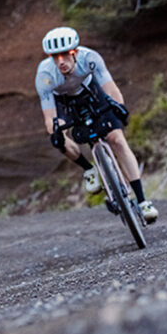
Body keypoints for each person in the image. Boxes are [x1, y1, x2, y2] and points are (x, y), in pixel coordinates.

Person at [36, 26, 158, 222]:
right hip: (63, 101)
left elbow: (111, 89)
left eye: (65, 54)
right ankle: (88, 169)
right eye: (54, 57)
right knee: (58, 137)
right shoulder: (45, 75)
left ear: (75, 52)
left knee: (117, 139)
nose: (60, 61)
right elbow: (50, 117)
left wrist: (119, 107)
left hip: (90, 91)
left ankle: (143, 202)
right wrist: (56, 131)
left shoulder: (89, 58)